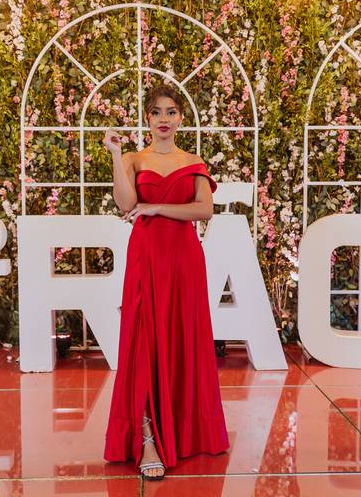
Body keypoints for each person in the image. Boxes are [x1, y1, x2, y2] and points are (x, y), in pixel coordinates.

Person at [102, 84, 230, 481]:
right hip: (146, 257)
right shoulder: (133, 159)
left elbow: (204, 210)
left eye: (170, 111)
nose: (163, 118)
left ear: (180, 118)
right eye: (156, 112)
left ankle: (183, 431)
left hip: (184, 260)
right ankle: (147, 439)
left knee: (180, 338)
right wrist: (114, 155)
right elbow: (126, 204)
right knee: (143, 341)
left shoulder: (193, 161)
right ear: (147, 118)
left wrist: (156, 206)